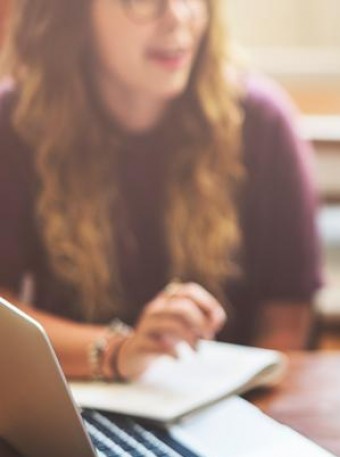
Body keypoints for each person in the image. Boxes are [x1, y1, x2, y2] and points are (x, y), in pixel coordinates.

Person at [0, 0, 322, 381]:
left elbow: (287, 321)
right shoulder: (16, 123)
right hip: (79, 405)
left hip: (229, 408)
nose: (177, 16)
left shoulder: (263, 124)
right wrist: (119, 351)